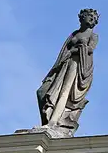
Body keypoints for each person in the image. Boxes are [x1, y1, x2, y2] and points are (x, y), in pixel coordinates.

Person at [35, 8, 99, 138]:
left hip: (77, 65)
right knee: (44, 91)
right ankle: (50, 120)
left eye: (94, 17)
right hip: (64, 65)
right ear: (82, 18)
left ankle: (54, 122)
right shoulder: (74, 34)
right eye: (89, 16)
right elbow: (63, 52)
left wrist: (75, 50)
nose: (92, 19)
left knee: (65, 92)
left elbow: (90, 49)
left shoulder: (93, 35)